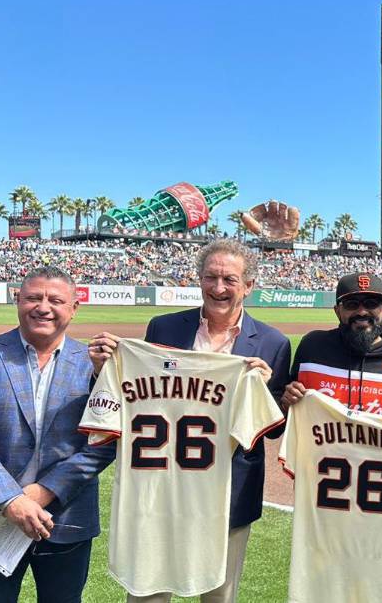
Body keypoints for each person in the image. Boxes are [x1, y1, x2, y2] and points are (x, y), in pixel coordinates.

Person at [89, 239, 290, 603]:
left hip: (229, 491)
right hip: (161, 484)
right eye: (210, 277)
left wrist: (261, 390)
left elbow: (273, 427)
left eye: (229, 279)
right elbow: (137, 396)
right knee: (148, 590)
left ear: (248, 286)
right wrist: (104, 369)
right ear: (198, 280)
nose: (218, 288)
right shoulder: (163, 328)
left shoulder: (273, 342)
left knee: (218, 596)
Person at [0, 266, 116, 602]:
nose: (43, 307)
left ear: (74, 308)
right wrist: (11, 500)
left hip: (67, 517)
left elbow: (103, 443)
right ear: (18, 300)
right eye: (33, 297)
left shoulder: (99, 365)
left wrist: (43, 493)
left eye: (56, 300)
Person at [279, 272, 382, 415]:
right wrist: (286, 403)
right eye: (351, 305)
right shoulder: (312, 347)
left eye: (371, 304)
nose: (361, 312)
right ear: (337, 311)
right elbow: (288, 410)